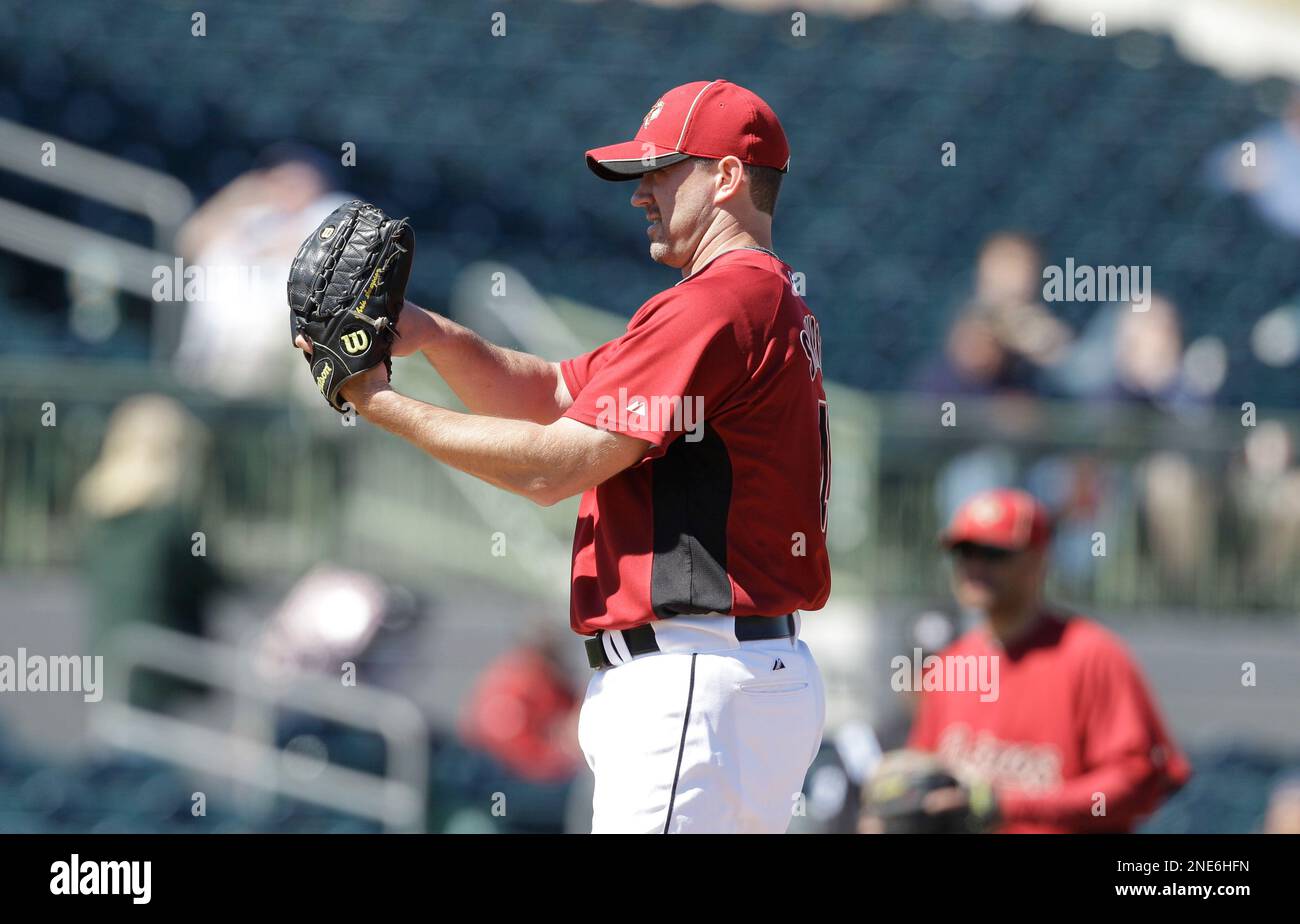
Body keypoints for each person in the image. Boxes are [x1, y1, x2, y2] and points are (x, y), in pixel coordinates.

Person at [296, 79, 830, 833]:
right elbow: (554, 393)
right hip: (725, 676)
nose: (642, 194)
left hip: (692, 673)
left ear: (727, 178)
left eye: (661, 171)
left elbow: (554, 465)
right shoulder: (751, 299)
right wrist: (422, 331)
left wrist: (376, 401)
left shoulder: (719, 302)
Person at [901, 488, 1190, 833]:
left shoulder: (1092, 655)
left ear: (1038, 560)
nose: (975, 565)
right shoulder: (950, 664)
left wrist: (1009, 805)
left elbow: (1139, 783)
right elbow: (924, 771)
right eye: (964, 551)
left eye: (994, 552)